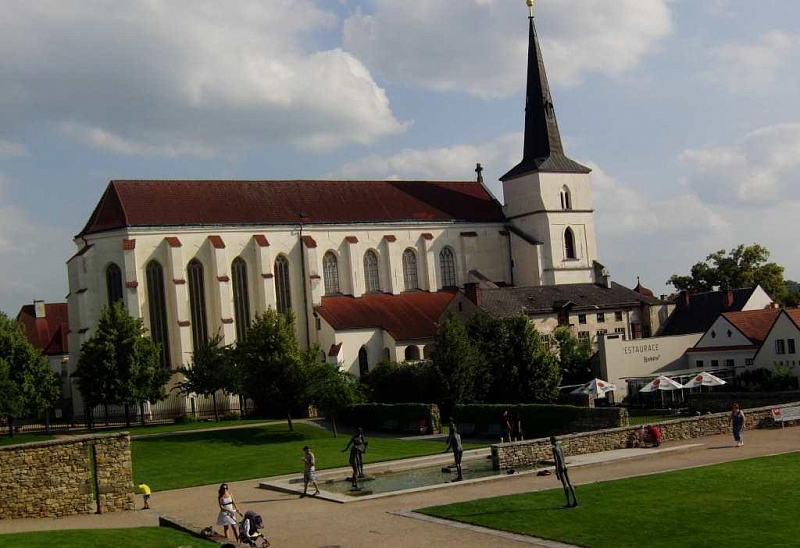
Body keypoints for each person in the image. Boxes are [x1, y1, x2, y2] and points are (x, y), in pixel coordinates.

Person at [551, 436, 578, 508]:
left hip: (560, 468)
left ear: (553, 441)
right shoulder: (561, 447)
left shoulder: (554, 449)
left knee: (565, 485)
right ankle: (575, 501)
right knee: (570, 483)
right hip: (565, 466)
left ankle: (569, 503)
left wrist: (557, 472)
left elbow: (556, 461)